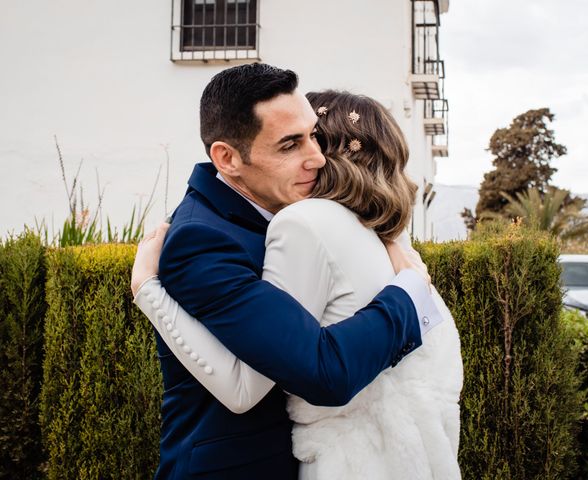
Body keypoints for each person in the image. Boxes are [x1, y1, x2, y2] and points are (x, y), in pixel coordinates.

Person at [131, 64, 444, 480]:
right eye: (289, 145)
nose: (317, 157)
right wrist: (408, 294)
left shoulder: (293, 213)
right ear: (227, 158)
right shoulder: (201, 242)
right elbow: (316, 372)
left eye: (313, 134)